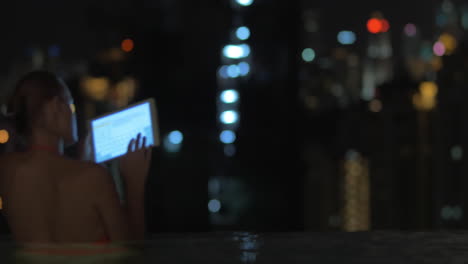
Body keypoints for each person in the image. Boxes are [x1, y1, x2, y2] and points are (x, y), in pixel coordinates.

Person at [0, 71, 152, 244]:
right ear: (55, 107)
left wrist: (85, 162)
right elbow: (132, 250)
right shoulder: (94, 177)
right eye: (71, 105)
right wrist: (134, 183)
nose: (73, 114)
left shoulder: (6, 169)